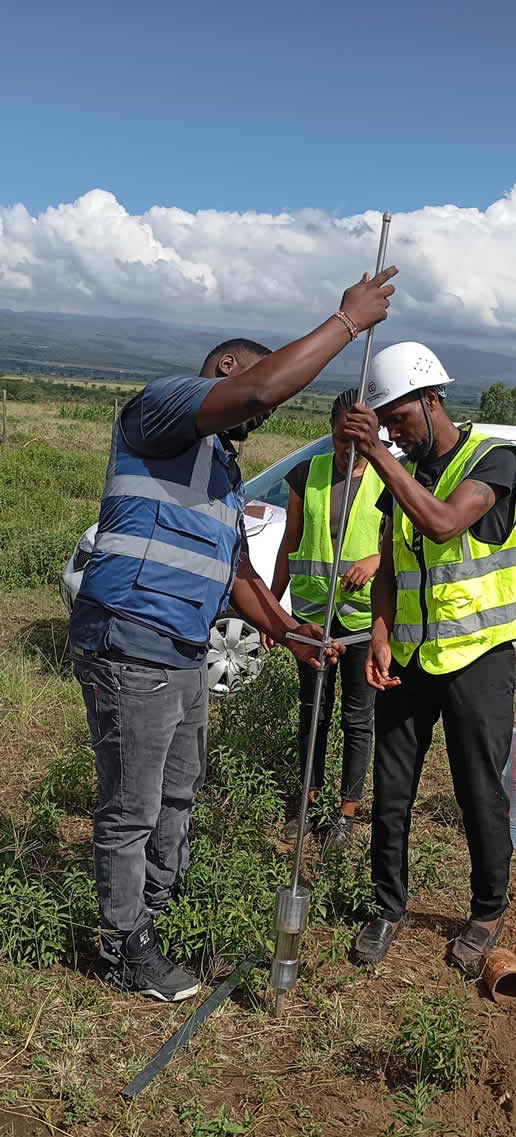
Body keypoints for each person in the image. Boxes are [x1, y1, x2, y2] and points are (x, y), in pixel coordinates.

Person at [68, 264, 397, 1002]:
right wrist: (347, 322)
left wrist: (287, 630)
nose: (258, 420)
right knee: (133, 805)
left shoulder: (217, 468)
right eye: (249, 396)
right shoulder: (163, 408)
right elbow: (259, 389)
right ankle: (123, 946)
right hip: (132, 635)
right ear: (224, 367)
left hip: (181, 646)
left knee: (180, 789)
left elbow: (239, 576)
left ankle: (158, 907)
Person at [340, 342, 516, 971]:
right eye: (386, 424)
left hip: (478, 657)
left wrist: (377, 456)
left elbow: (445, 523)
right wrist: (382, 633)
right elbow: (391, 558)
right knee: (391, 791)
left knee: (479, 788)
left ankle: (486, 908)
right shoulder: (406, 471)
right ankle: (387, 907)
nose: (395, 432)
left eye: (401, 419)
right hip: (411, 659)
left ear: (431, 397)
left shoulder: (492, 459)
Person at [266, 389, 384, 851]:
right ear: (333, 430)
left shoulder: (389, 478)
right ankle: (308, 805)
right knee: (314, 714)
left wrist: (374, 560)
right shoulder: (307, 473)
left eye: (358, 440)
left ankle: (346, 815)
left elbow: (401, 543)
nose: (348, 449)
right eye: (340, 438)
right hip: (313, 617)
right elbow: (289, 543)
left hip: (362, 618)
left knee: (358, 719)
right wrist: (275, 613)